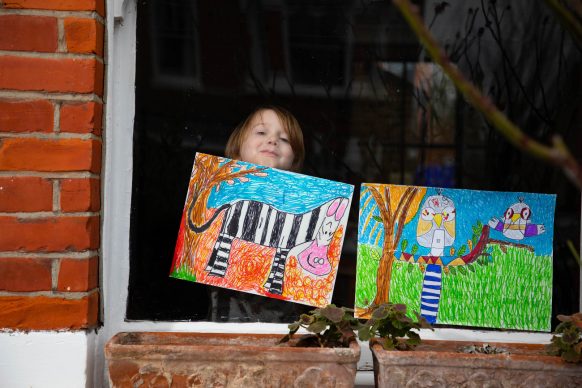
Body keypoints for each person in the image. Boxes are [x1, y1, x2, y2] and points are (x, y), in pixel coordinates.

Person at [209, 105, 311, 322]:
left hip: (282, 325)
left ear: (294, 160)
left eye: (284, 139)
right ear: (237, 149)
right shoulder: (220, 193)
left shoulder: (299, 208)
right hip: (226, 322)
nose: (273, 141)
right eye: (261, 132)